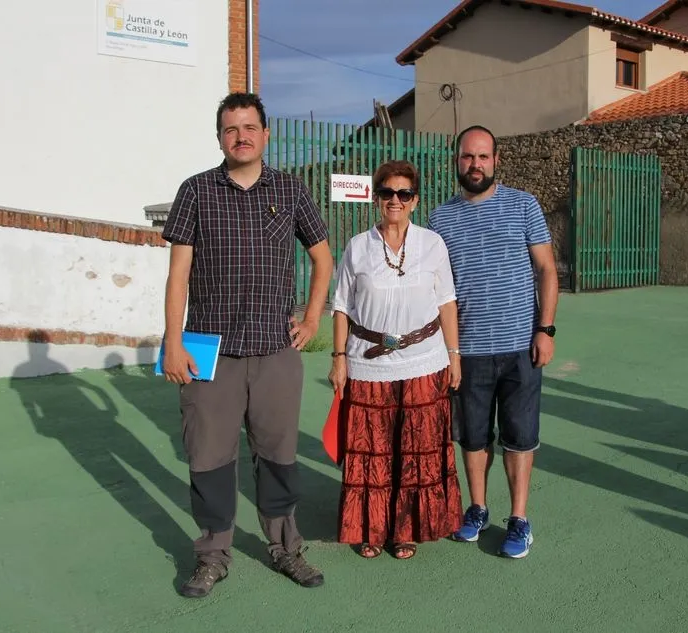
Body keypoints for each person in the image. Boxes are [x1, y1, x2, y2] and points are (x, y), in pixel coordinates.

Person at [160, 92, 333, 597]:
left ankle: (285, 548)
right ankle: (212, 555)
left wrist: (312, 317)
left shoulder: (291, 190)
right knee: (209, 460)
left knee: (278, 458)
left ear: (266, 134)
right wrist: (173, 341)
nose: (241, 137)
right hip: (209, 352)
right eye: (231, 129)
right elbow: (178, 274)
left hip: (275, 350)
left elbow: (323, 258)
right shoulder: (195, 191)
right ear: (220, 138)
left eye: (250, 127)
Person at [427, 124, 558, 559]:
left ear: (496, 160)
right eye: (468, 156)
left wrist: (545, 329)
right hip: (467, 351)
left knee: (519, 437)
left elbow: (546, 270)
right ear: (457, 161)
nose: (475, 164)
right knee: (473, 437)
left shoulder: (523, 205)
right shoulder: (440, 219)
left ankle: (518, 518)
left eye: (483, 156)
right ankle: (478, 508)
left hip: (521, 347)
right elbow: (434, 287)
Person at [328, 159, 463, 560]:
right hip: (368, 364)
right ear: (377, 198)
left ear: (415, 201)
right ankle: (371, 529)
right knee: (373, 451)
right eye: (387, 192)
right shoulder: (357, 247)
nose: (395, 200)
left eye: (404, 193)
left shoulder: (433, 244)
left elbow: (446, 302)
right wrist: (339, 359)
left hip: (424, 361)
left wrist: (454, 355)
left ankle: (406, 529)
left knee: (417, 450)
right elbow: (341, 307)